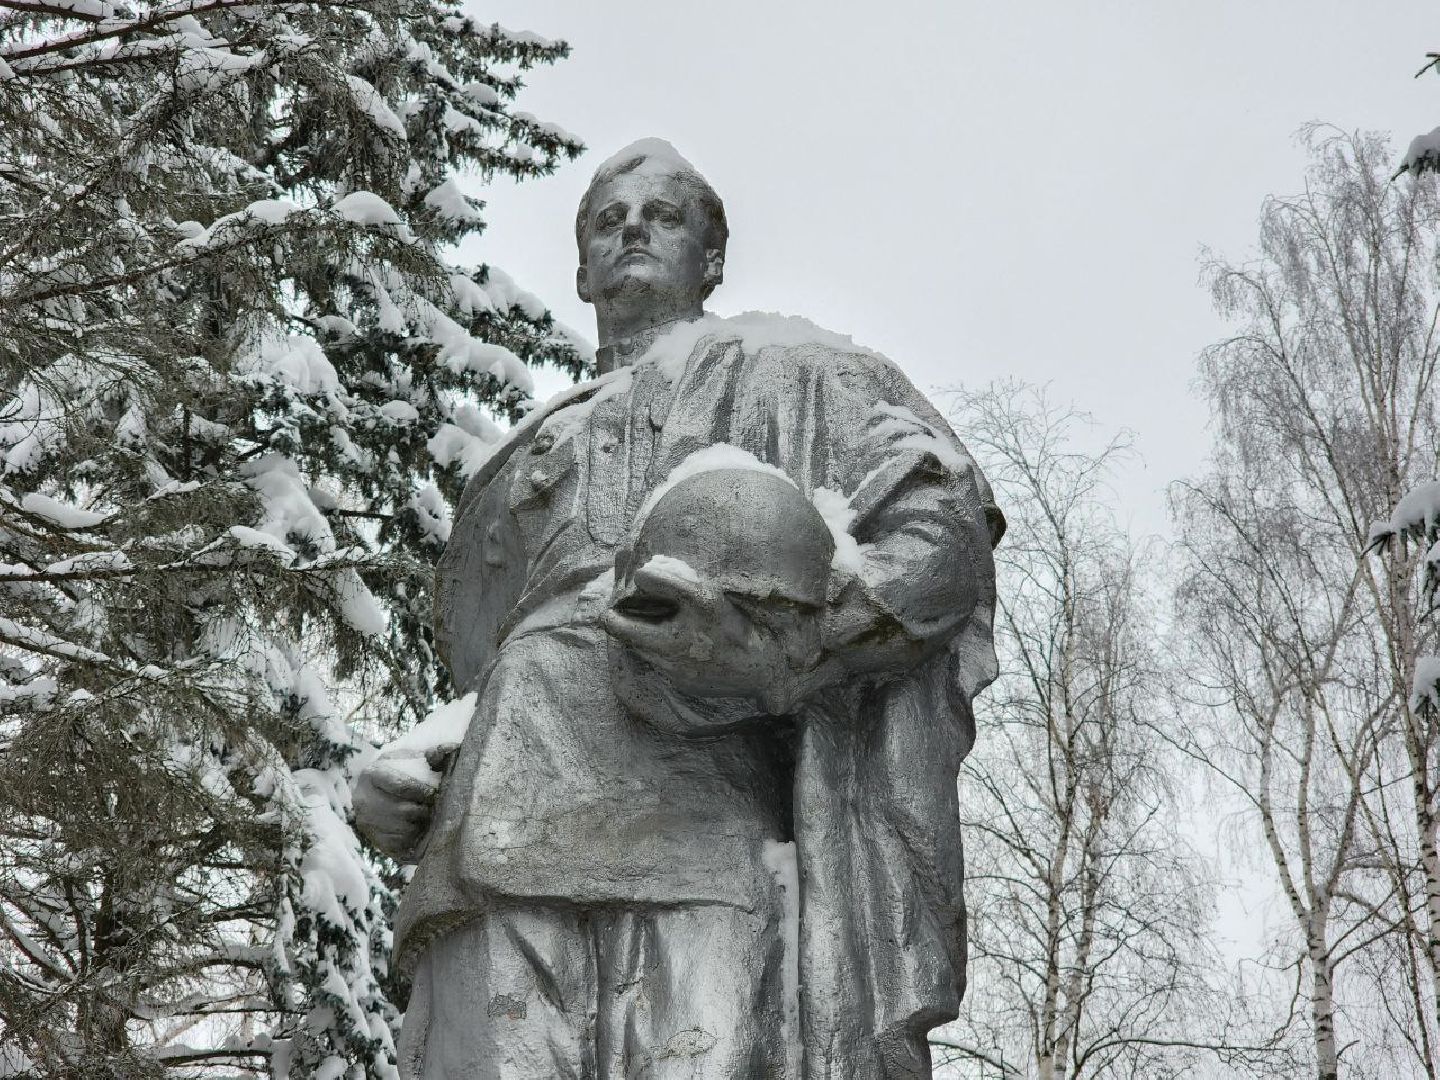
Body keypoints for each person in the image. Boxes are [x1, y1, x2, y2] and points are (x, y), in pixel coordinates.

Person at [354, 138, 1003, 1079]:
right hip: (492, 841)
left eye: (661, 216)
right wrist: (425, 771)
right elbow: (514, 659)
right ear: (580, 268)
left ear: (714, 258)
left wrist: (801, 648)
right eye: (607, 221)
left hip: (703, 835)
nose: (630, 231)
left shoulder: (788, 367)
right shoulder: (536, 447)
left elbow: (940, 528)